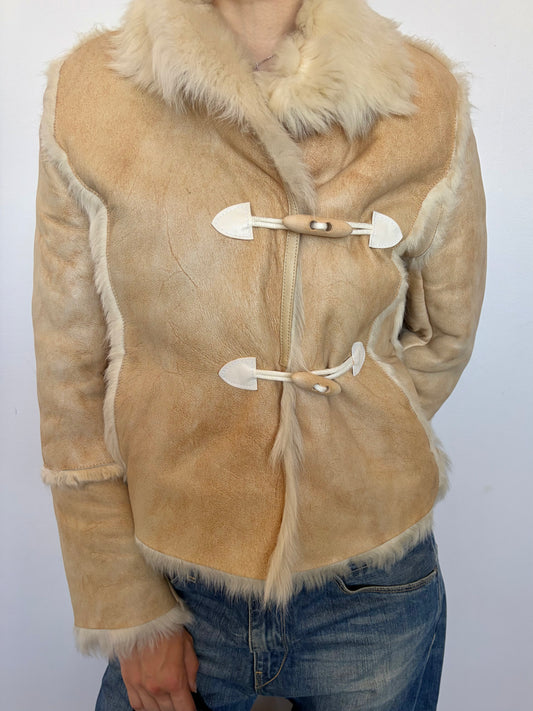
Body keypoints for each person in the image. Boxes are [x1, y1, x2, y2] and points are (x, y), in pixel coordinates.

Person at [32, 0, 486, 709]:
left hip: (372, 588)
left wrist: (344, 440)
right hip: (174, 583)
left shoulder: (424, 96)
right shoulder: (95, 92)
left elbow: (443, 334)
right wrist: (125, 605)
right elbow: (70, 378)